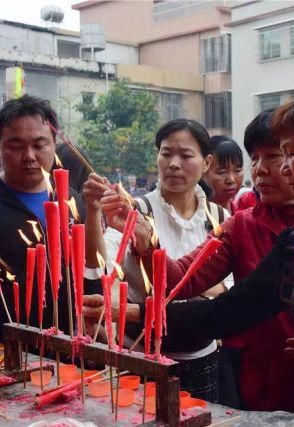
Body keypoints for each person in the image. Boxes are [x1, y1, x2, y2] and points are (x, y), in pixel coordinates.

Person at [86, 86, 294, 419]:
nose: (279, 168)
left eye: (290, 153)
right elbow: (224, 314)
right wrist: (129, 311)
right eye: (261, 158)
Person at [82, 119, 228, 403]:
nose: (174, 163)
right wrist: (92, 212)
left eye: (185, 155)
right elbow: (101, 264)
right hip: (141, 356)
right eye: (166, 153)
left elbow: (227, 291)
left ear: (206, 162)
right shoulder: (134, 210)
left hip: (201, 354)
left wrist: (177, 292)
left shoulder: (220, 219)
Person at [0, 95, 90, 343]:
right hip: (4, 349)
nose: (29, 156)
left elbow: (87, 270)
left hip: (70, 349)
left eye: (39, 144)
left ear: (54, 145)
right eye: (16, 145)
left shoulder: (71, 201)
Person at [202, 136, 256, 214]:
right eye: (222, 172)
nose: (231, 180)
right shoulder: (195, 217)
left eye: (237, 171)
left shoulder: (243, 216)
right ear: (203, 171)